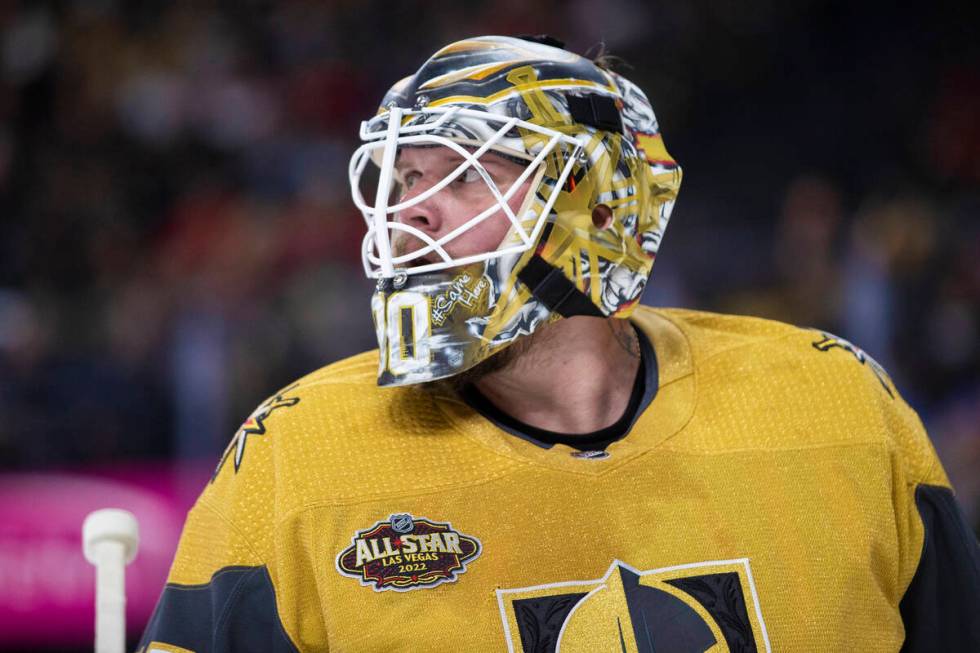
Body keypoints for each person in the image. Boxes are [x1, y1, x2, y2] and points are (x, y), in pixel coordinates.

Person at [139, 35, 979, 652]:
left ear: (602, 210)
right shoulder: (297, 453)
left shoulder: (833, 405)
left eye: (465, 173)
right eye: (403, 179)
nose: (410, 213)